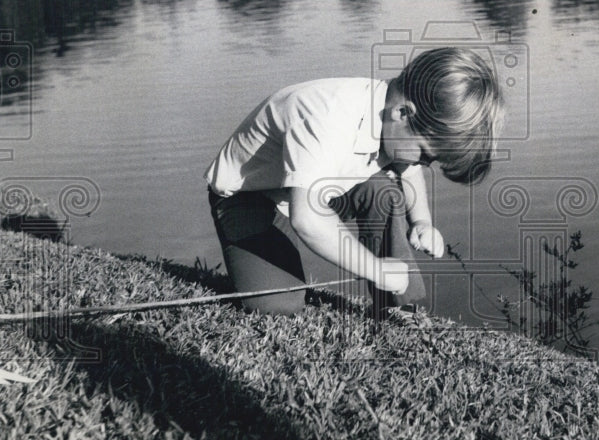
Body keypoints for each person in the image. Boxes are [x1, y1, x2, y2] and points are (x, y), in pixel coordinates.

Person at [205, 47, 504, 316]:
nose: (424, 165)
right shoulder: (327, 119)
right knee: (278, 305)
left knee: (384, 192)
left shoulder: (392, 116)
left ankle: (403, 308)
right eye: (426, 155)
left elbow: (407, 168)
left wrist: (422, 221)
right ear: (402, 113)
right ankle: (383, 279)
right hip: (251, 197)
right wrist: (375, 270)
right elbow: (307, 220)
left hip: (321, 186)